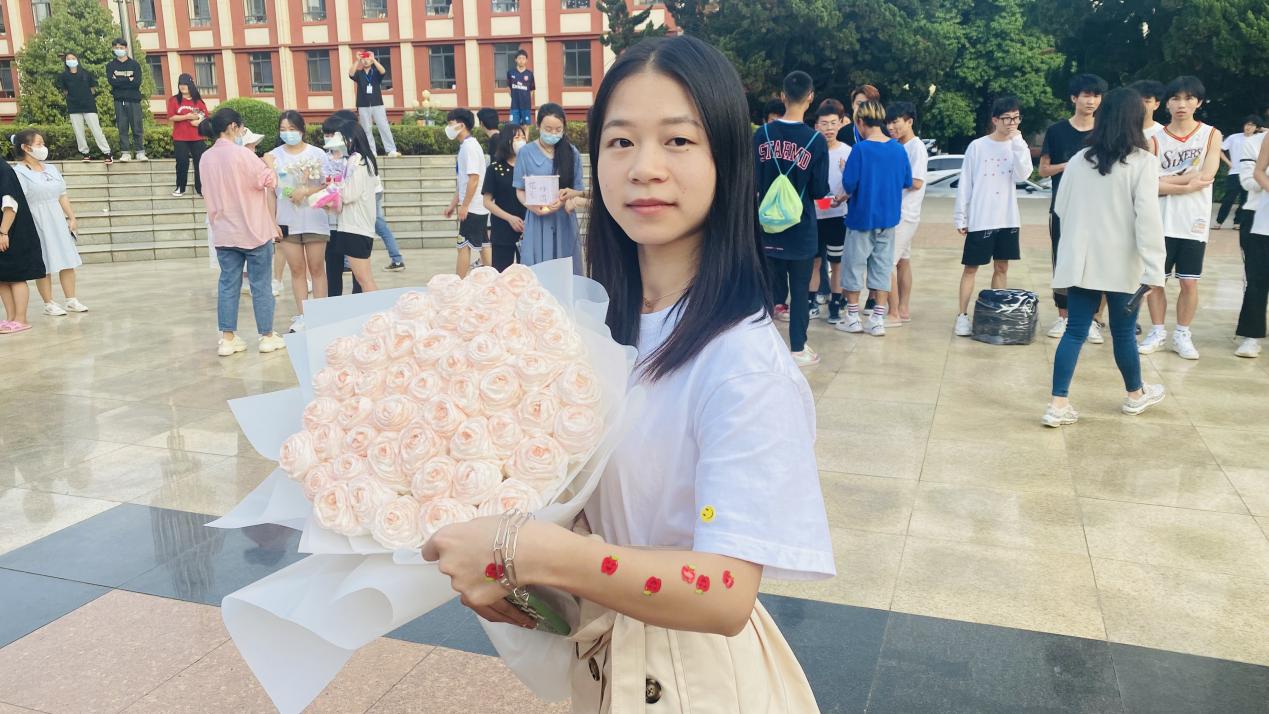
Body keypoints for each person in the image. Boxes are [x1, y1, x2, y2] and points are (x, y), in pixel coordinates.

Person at [422, 35, 833, 713]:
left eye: (678, 141)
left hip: (698, 682)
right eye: (620, 142)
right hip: (608, 660)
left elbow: (725, 593)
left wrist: (525, 550)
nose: (645, 168)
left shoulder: (742, 362)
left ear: (728, 160)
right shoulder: (598, 327)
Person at [1045, 87, 1167, 427]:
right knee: (1124, 333)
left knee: (1074, 331)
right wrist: (1154, 270)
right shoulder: (1143, 162)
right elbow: (1148, 220)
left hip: (1082, 261)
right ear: (1135, 119)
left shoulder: (1079, 160)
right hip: (1123, 263)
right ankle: (1135, 396)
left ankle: (1057, 404)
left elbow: (1061, 208)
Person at [1137, 76, 1222, 360]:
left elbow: (1207, 175)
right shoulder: (1154, 140)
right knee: (1155, 281)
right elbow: (1146, 184)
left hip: (1194, 221)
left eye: (1188, 98)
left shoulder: (1211, 134)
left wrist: (1166, 180)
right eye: (1175, 98)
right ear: (1167, 104)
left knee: (1189, 282)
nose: (1181, 104)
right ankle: (1158, 330)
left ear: (1199, 102)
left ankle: (1182, 333)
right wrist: (1186, 180)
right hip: (1159, 220)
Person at [197, 108, 286, 356]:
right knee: (261, 285)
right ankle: (267, 335)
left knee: (228, 284)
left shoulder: (205, 158)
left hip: (224, 230)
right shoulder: (243, 154)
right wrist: (269, 164)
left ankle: (228, 338)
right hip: (253, 229)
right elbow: (269, 181)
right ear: (233, 127)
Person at [754, 70, 828, 366]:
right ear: (810, 97)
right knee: (799, 292)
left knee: (766, 292)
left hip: (767, 227)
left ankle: (762, 350)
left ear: (782, 96)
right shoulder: (816, 140)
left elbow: (752, 181)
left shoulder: (762, 135)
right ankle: (798, 348)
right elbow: (819, 189)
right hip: (801, 229)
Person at [952, 96, 1033, 337]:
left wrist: (1018, 143)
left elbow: (1023, 175)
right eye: (1007, 118)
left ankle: (996, 314)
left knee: (1002, 267)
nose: (1012, 123)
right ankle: (962, 316)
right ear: (995, 119)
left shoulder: (1018, 145)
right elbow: (966, 182)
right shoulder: (978, 146)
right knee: (971, 268)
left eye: (1016, 118)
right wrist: (961, 216)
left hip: (1007, 217)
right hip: (981, 216)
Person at [834, 100, 912, 337]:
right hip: (888, 219)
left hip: (861, 218)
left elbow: (850, 184)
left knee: (854, 267)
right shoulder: (898, 149)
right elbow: (906, 181)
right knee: (882, 267)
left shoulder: (860, 150)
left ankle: (852, 317)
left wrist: (845, 170)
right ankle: (878, 318)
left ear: (859, 122)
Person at [1040, 74, 1107, 341]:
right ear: (1074, 98)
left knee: (1095, 263)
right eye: (1086, 95)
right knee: (1063, 261)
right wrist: (1070, 166)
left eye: (1096, 96)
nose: (1091, 101)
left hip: (1099, 210)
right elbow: (1044, 169)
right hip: (1063, 209)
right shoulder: (1056, 131)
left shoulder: (1105, 131)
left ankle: (1090, 319)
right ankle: (1063, 317)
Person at [264, 110, 330, 333]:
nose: (288, 133)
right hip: (286, 220)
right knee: (296, 269)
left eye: (292, 129)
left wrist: (305, 191)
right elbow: (271, 193)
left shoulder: (317, 154)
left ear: (302, 129)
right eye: (283, 130)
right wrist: (272, 222)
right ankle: (303, 316)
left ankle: (320, 315)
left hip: (314, 218)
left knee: (317, 268)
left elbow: (327, 184)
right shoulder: (273, 157)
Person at [12, 129, 88, 318]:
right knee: (44, 263)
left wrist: (71, 217)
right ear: (26, 147)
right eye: (39, 144)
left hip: (57, 218)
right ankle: (49, 303)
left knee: (67, 259)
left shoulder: (51, 169)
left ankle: (71, 299)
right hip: (36, 220)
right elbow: (18, 202)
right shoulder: (19, 172)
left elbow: (62, 195)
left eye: (43, 144)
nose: (43, 147)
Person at [513, 103, 583, 273]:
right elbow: (520, 190)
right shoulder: (525, 153)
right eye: (548, 129)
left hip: (564, 220)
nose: (553, 134)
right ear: (538, 126)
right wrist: (532, 206)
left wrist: (564, 199)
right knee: (538, 270)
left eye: (558, 130)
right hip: (537, 220)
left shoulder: (572, 153)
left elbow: (578, 189)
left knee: (565, 271)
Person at [320, 115, 381, 296]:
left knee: (364, 279)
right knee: (364, 278)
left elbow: (348, 194)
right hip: (355, 227)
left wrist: (330, 191)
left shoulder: (359, 162)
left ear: (351, 139)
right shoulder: (360, 160)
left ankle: (378, 311)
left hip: (356, 228)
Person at [885, 101, 927, 323]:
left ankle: (893, 313)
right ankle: (902, 309)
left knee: (887, 263)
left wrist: (887, 179)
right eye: (888, 123)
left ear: (909, 121)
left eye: (895, 122)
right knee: (903, 261)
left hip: (904, 213)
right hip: (900, 212)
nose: (890, 127)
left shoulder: (916, 147)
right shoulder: (898, 145)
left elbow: (917, 182)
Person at [0, 138, 47, 333]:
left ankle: (21, 318)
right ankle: (10, 318)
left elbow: (10, 204)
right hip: (3, 231)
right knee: (2, 277)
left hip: (12, 231)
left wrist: (3, 232)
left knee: (16, 276)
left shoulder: (3, 171)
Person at [811, 104, 850, 324]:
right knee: (814, 262)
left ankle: (836, 303)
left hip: (837, 216)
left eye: (833, 123)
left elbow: (855, 184)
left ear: (841, 124)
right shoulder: (810, 150)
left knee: (837, 263)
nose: (829, 128)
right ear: (816, 126)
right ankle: (811, 302)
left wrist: (844, 196)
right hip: (814, 216)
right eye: (824, 124)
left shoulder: (848, 151)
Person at [442, 108, 491, 277]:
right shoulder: (468, 146)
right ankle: (492, 278)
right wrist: (453, 205)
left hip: (473, 207)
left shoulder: (469, 148)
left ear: (461, 125)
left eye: (451, 124)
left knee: (463, 246)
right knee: (483, 244)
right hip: (477, 206)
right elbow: (463, 182)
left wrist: (465, 206)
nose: (448, 128)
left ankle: (459, 283)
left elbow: (474, 179)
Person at [1234, 125, 1268, 357]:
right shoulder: (1258, 141)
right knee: (1257, 279)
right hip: (1260, 218)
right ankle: (1252, 336)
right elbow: (1254, 176)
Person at [482, 123, 527, 272]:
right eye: (516, 137)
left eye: (523, 137)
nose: (521, 140)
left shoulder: (529, 166)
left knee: (527, 273)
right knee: (501, 273)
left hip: (527, 227)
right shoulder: (495, 168)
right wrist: (509, 218)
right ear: (507, 140)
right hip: (502, 228)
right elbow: (487, 202)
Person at [55, 52, 112, 163]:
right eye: (68, 59)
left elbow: (93, 88)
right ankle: (85, 153)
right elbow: (65, 91)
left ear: (77, 59)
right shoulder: (63, 76)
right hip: (74, 107)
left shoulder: (86, 73)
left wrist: (85, 96)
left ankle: (107, 152)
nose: (71, 60)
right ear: (65, 61)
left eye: (73, 58)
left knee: (96, 130)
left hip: (89, 106)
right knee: (79, 132)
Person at [349, 51, 399, 158]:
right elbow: (351, 74)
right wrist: (357, 60)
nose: (366, 61)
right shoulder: (359, 74)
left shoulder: (375, 72)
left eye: (367, 58)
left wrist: (374, 59)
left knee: (383, 126)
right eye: (364, 59)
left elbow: (383, 71)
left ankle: (391, 150)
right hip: (363, 104)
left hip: (377, 103)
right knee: (366, 129)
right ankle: (371, 151)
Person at [1215, 115, 1262, 230]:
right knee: (1229, 198)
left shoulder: (1258, 139)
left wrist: (1261, 129)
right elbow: (1220, 150)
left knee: (1245, 199)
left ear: (1257, 128)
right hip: (1235, 172)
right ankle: (1219, 221)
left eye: (1252, 125)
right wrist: (1229, 163)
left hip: (1250, 173)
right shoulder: (1234, 137)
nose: (1248, 127)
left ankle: (1237, 222)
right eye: (1247, 124)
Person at [167, 74, 209, 197]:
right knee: (181, 162)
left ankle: (201, 189)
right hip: (180, 137)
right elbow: (171, 117)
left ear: (191, 85)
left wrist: (198, 121)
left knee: (199, 163)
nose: (182, 86)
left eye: (185, 84)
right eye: (180, 84)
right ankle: (180, 187)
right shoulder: (174, 100)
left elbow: (205, 116)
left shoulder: (198, 101)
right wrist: (186, 116)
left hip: (197, 137)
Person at [106, 38, 146, 162]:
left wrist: (119, 80)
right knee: (122, 128)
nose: (119, 50)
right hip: (119, 100)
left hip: (134, 100)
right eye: (117, 48)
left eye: (121, 48)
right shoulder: (110, 66)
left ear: (126, 48)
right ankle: (125, 153)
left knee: (137, 127)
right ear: (113, 49)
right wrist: (128, 79)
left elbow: (136, 82)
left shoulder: (134, 65)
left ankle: (140, 152)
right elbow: (112, 82)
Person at [1129, 79, 1166, 144]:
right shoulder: (1122, 132)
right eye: (1138, 101)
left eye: (1147, 101)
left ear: (1156, 105)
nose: (1142, 105)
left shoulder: (1163, 133)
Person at [507, 49, 535, 126]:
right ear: (516, 60)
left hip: (526, 106)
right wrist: (514, 98)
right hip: (514, 106)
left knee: (525, 126)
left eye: (523, 58)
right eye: (519, 58)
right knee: (514, 127)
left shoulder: (530, 74)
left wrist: (526, 100)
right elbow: (509, 88)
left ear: (526, 60)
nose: (521, 60)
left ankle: (525, 136)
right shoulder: (510, 73)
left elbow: (532, 90)